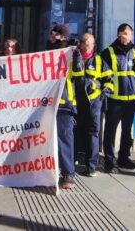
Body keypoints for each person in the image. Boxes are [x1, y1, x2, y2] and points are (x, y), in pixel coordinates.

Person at [100, 23, 135, 172]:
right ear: (118, 34)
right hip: (114, 100)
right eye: (122, 32)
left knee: (127, 131)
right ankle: (109, 161)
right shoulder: (108, 52)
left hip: (130, 100)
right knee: (110, 131)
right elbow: (104, 76)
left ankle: (124, 158)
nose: (125, 35)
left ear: (131, 36)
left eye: (127, 33)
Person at [74, 33, 111, 177]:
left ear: (93, 44)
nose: (85, 44)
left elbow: (109, 80)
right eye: (83, 42)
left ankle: (91, 166)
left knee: (93, 133)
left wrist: (103, 95)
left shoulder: (99, 61)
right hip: (76, 101)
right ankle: (72, 161)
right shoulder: (73, 58)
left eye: (88, 42)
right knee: (74, 131)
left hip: (94, 102)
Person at [56, 41, 80, 189]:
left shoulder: (72, 57)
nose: (56, 36)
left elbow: (78, 73)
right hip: (48, 105)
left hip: (65, 106)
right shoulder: (48, 55)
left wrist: (76, 55)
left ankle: (68, 174)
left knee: (65, 139)